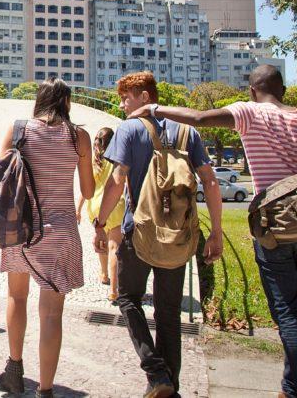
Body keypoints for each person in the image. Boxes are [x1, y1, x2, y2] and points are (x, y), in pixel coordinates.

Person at [128, 64, 297, 398]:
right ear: (283, 90)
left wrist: (155, 109)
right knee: (295, 304)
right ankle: (292, 387)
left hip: (275, 229)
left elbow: (199, 118)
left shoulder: (249, 112)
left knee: (286, 314)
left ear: (251, 91)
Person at [93, 72, 224, 398]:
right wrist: (216, 232)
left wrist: (100, 221)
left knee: (127, 299)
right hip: (178, 236)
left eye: (126, 98)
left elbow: (117, 181)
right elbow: (210, 181)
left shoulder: (129, 130)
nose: (122, 105)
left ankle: (155, 372)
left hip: (137, 233)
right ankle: (169, 387)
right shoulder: (188, 132)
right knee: (168, 314)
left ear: (144, 96)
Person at [0, 79, 95, 397]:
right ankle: (46, 389)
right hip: (61, 231)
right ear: (67, 102)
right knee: (52, 314)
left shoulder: (18, 131)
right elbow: (89, 191)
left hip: (20, 229)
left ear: (38, 100)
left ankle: (14, 369)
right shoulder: (79, 136)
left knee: (17, 297)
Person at [76, 126, 125, 303]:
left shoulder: (94, 162)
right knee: (114, 247)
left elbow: (86, 188)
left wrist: (78, 209)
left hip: (96, 207)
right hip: (115, 205)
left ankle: (104, 274)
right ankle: (114, 291)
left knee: (101, 240)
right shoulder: (119, 160)